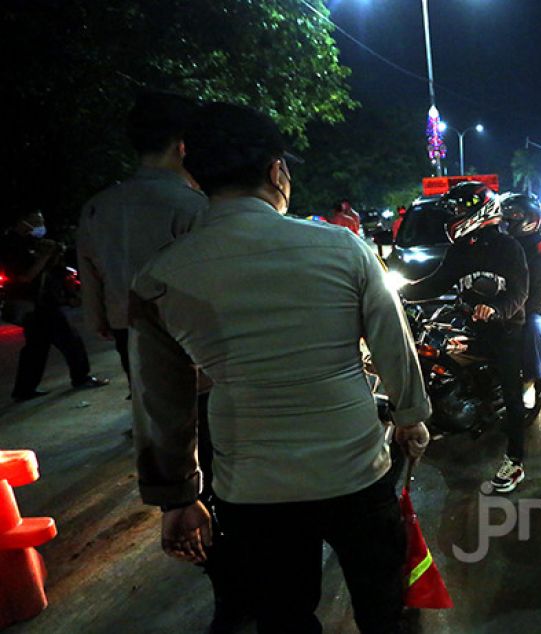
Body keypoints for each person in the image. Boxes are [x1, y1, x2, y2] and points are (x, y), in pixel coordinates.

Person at [130, 102, 431, 634]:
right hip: (357, 472)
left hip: (251, 489)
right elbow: (394, 344)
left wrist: (177, 497)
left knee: (282, 616)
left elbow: (162, 400)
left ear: (194, 174)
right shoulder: (345, 249)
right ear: (276, 171)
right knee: (383, 607)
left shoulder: (160, 277)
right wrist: (410, 416)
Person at [403, 181, 530, 493]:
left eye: (460, 209)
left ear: (480, 210)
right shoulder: (461, 248)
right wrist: (398, 292)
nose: (455, 215)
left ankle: (515, 460)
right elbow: (436, 283)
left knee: (513, 395)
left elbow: (519, 292)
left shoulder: (508, 248)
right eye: (455, 210)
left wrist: (496, 310)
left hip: (505, 329)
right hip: (470, 322)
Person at [77, 91, 205, 389]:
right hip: (184, 330)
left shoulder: (98, 206)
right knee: (194, 411)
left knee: (150, 409)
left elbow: (90, 271)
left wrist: (98, 317)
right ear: (182, 146)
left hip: (126, 328)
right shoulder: (193, 205)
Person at [1, 210, 109, 401]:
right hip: (34, 304)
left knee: (36, 347)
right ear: (22, 222)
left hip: (43, 302)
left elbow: (52, 273)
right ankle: (80, 377)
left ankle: (24, 390)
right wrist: (44, 256)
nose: (40, 225)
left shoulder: (32, 243)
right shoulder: (12, 246)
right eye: (36, 221)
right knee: (69, 340)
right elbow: (24, 277)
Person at [499, 192, 541, 401]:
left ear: (530, 218)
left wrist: (518, 308)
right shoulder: (504, 245)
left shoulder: (540, 249)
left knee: (533, 328)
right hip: (510, 302)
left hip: (537, 305)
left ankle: (534, 379)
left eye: (514, 214)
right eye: (506, 215)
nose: (508, 220)